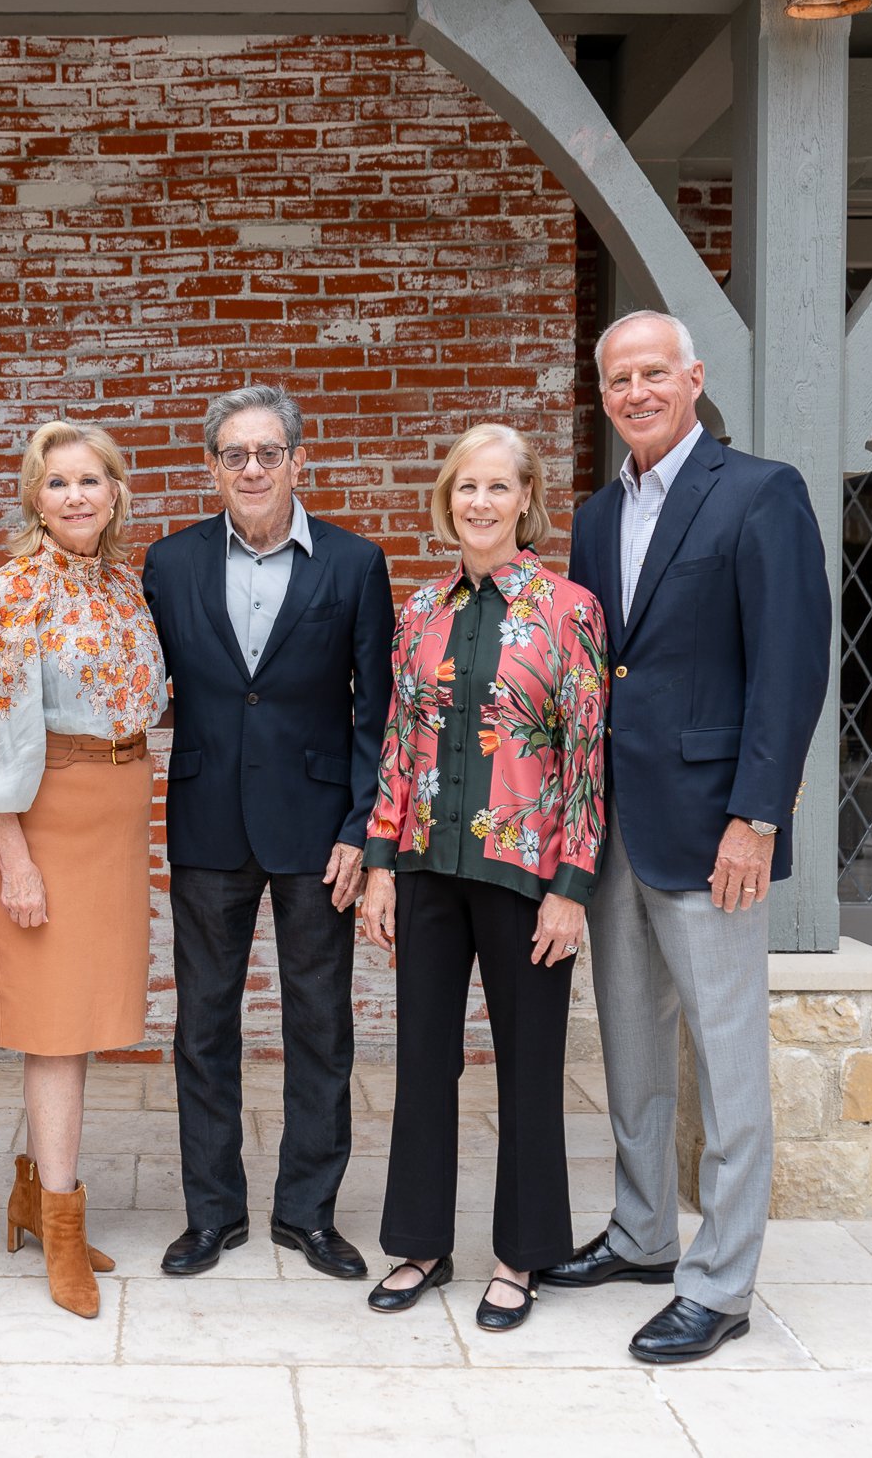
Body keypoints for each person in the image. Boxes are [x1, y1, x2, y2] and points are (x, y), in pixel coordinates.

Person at [544, 310, 830, 1364]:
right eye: (618, 378)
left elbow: (791, 665)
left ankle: (721, 1282)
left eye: (653, 373)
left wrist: (756, 817)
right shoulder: (593, 514)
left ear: (694, 377)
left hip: (714, 828)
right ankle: (641, 1232)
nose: (636, 392)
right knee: (629, 1042)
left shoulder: (758, 492)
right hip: (613, 821)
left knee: (725, 1062)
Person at [141, 384, 393, 1279]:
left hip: (319, 831)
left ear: (297, 460)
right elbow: (136, 683)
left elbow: (376, 712)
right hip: (207, 819)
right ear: (213, 466)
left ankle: (307, 1213)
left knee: (320, 1025)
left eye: (268, 453)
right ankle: (212, 1213)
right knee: (202, 1025)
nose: (252, 469)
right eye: (235, 455)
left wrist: (363, 828)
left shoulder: (355, 564)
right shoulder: (168, 563)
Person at [359, 424, 606, 1331]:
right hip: (427, 866)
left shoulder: (568, 609)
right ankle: (420, 1242)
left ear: (526, 499)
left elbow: (587, 756)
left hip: (527, 874)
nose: (480, 502)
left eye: (498, 486)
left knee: (529, 1066)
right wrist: (379, 864)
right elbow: (398, 741)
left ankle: (521, 1254)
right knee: (423, 1058)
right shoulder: (420, 610)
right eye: (467, 486)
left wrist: (572, 887)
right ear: (448, 498)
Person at [0, 420, 167, 1319]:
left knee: (88, 1017)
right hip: (46, 814)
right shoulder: (9, 593)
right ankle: (62, 1225)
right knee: (55, 1026)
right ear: (34, 496)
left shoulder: (123, 585)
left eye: (90, 480)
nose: (75, 496)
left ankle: (36, 1193)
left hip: (118, 812)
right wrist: (15, 861)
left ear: (116, 493)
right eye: (57, 481)